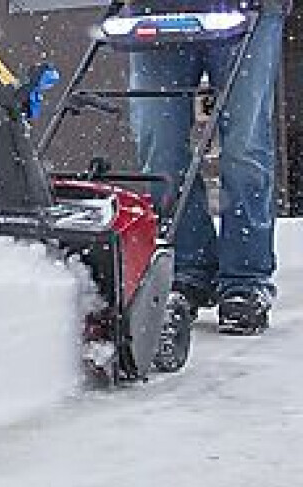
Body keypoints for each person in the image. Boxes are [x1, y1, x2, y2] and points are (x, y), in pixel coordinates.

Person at [128, 0, 290, 334]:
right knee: (159, 145)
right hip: (156, 10)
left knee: (244, 147)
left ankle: (245, 281)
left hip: (249, 9)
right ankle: (188, 267)